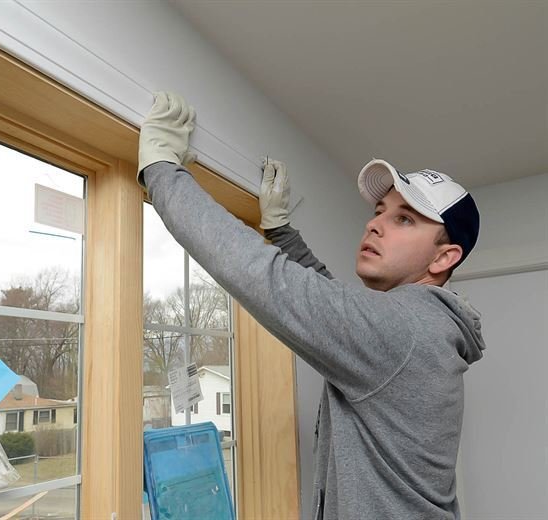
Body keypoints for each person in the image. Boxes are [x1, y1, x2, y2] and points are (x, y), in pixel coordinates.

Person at [137, 91, 484, 519]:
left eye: (404, 219)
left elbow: (266, 278)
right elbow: (328, 305)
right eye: (380, 210)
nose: (374, 223)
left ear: (443, 257)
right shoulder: (420, 328)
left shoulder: (407, 328)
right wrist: (281, 231)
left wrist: (161, 171)